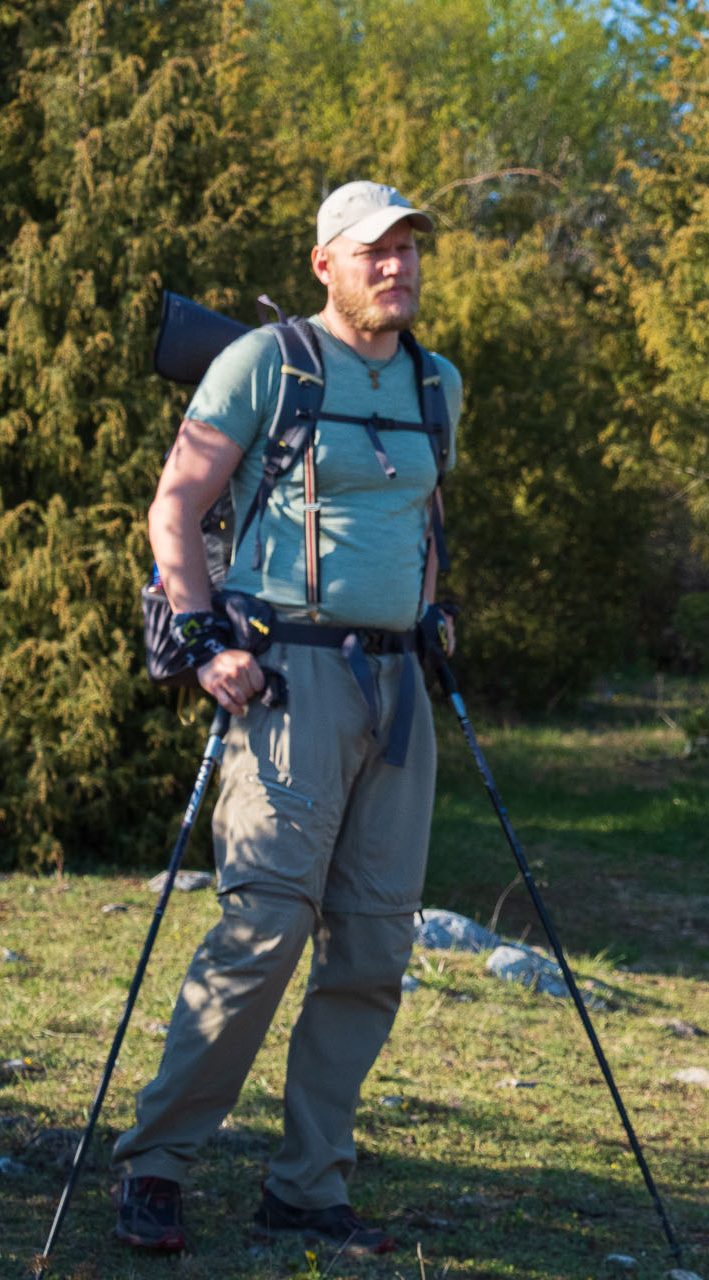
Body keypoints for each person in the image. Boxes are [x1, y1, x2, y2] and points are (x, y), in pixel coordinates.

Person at [110, 181, 463, 1256]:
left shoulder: (438, 381)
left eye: (410, 249)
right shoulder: (267, 362)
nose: (397, 266)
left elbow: (424, 516)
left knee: (372, 946)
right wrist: (204, 638)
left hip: (400, 691)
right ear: (325, 262)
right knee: (262, 926)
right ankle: (157, 1164)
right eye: (376, 251)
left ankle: (308, 1184)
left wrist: (437, 609)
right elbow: (176, 501)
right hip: (289, 681)